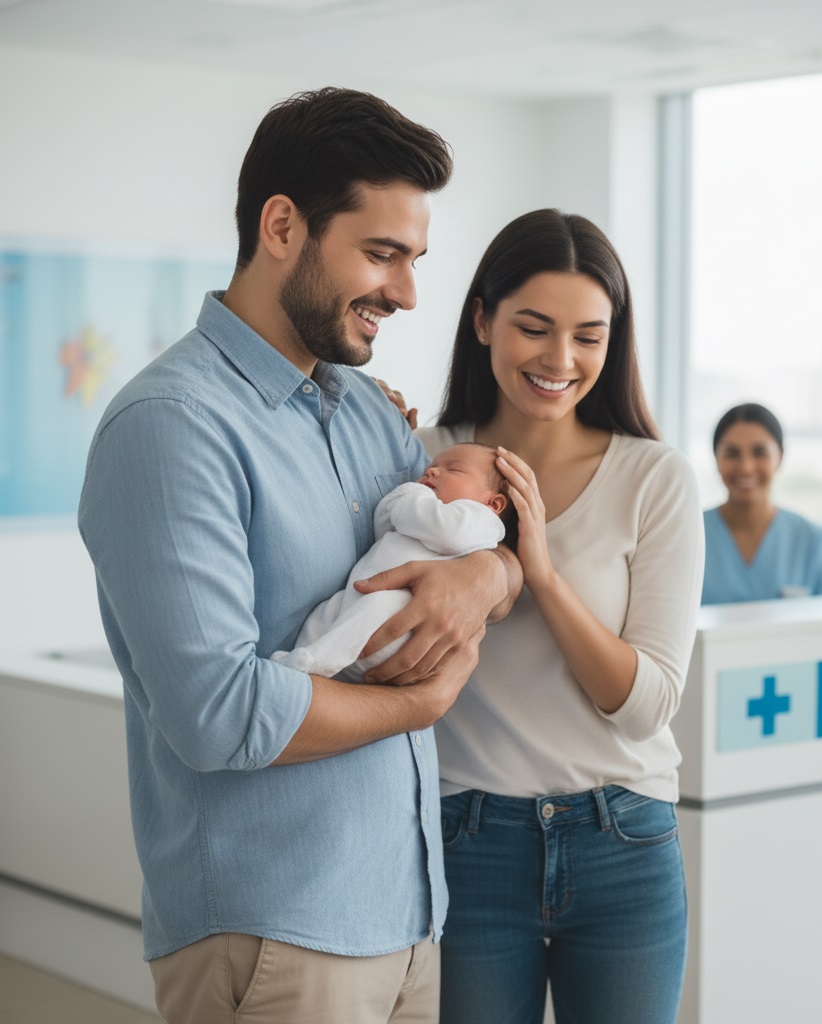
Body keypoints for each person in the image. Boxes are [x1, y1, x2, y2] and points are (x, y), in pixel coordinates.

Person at [77, 87, 521, 1024]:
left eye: (414, 259)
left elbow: (470, 545)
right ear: (282, 225)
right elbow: (217, 713)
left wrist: (492, 572)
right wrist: (423, 701)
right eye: (381, 253)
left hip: (407, 911)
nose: (405, 292)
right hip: (275, 933)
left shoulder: (368, 412)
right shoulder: (172, 427)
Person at [414, 209, 705, 1024]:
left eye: (588, 335)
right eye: (534, 329)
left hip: (624, 842)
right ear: (482, 320)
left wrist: (537, 568)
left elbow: (646, 702)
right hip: (466, 836)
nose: (560, 360)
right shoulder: (418, 458)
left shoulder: (655, 478)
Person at [271, 443, 516, 681]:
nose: (432, 471)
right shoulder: (423, 511)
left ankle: (315, 662)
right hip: (357, 599)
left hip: (400, 619)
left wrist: (414, 494)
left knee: (374, 608)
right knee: (324, 615)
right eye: (431, 467)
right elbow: (384, 523)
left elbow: (446, 532)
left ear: (494, 503)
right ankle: (302, 655)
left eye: (454, 469)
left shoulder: (480, 520)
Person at [701, 402, 822, 604]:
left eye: (759, 452)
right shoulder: (689, 536)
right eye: (732, 454)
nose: (746, 467)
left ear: (780, 457)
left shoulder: (813, 541)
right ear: (716, 458)